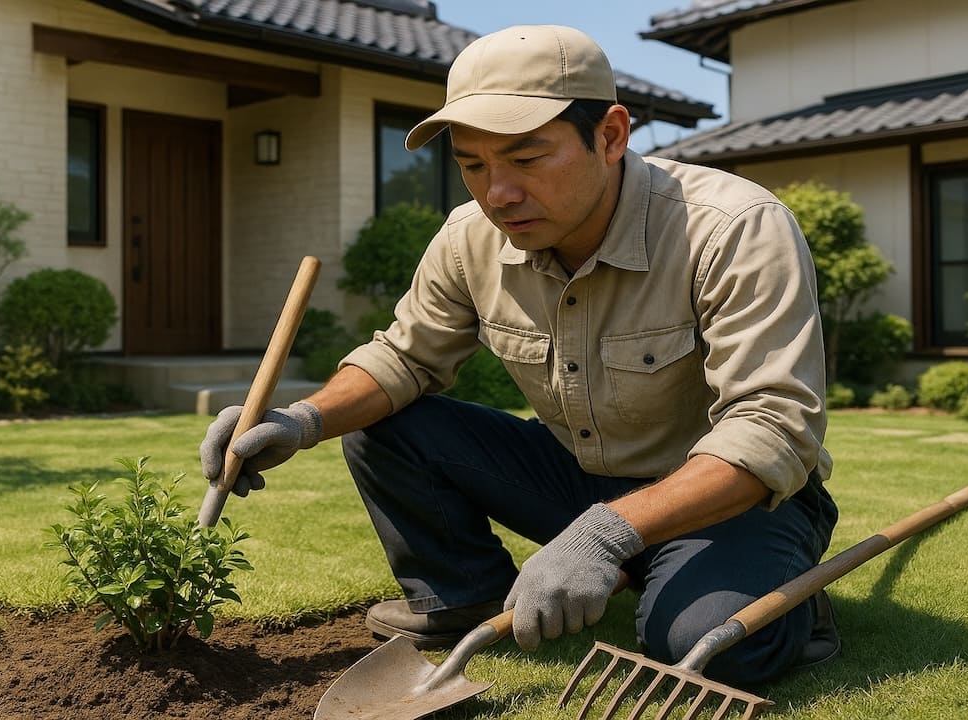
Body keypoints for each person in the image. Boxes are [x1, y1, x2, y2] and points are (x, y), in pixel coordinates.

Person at [199, 24, 839, 685]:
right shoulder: (467, 240)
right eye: (472, 164)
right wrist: (298, 420)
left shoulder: (731, 227)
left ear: (612, 136)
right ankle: (463, 596)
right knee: (383, 424)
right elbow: (403, 359)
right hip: (580, 477)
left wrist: (609, 534)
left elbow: (773, 432)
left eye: (527, 159)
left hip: (735, 497)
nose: (496, 192)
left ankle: (791, 600)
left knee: (700, 644)